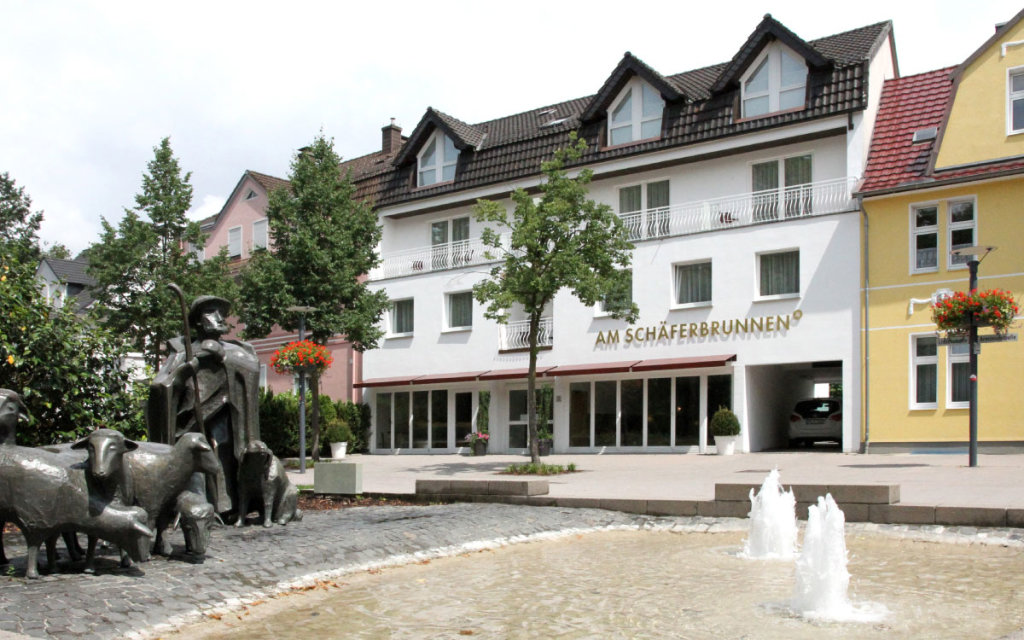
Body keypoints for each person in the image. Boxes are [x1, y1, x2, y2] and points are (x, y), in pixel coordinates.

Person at [147, 296, 260, 518]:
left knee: (221, 442)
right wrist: (182, 373)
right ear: (198, 321)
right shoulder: (182, 350)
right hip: (189, 421)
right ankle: (191, 503)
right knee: (193, 452)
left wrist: (223, 356)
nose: (219, 317)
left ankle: (225, 505)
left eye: (221, 312)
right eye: (211, 312)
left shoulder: (238, 349)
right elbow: (160, 386)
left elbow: (251, 372)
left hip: (224, 414)